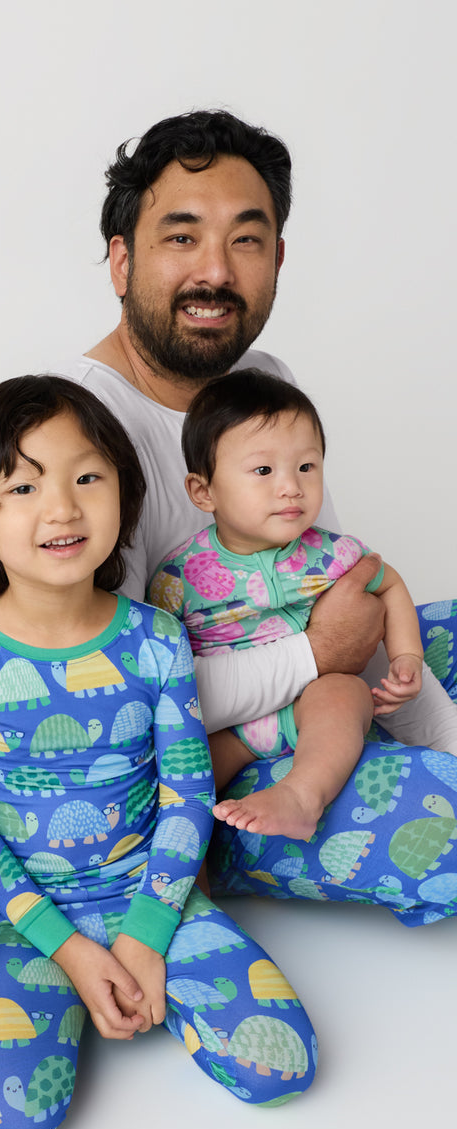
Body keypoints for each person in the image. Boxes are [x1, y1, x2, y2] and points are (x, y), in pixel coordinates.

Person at [58, 110, 457, 924]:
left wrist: (389, 687)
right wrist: (317, 659)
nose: (216, 271)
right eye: (181, 238)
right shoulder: (81, 432)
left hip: (324, 701)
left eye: (246, 239)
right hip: (205, 771)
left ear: (277, 257)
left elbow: (333, 582)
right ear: (121, 261)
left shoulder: (260, 378)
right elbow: (113, 706)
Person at [0, 374, 315, 1129]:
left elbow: (187, 792)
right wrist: (68, 949)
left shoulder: (156, 638)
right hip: (30, 918)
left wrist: (144, 935)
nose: (62, 508)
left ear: (125, 496)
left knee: (283, 1067)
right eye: (23, 486)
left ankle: (148, 970)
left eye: (86, 477)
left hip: (154, 891)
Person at [149, 370, 457, 842]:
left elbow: (390, 585)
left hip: (315, 711)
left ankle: (302, 796)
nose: (291, 487)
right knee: (176, 774)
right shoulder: (179, 576)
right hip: (234, 726)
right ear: (203, 491)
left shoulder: (333, 554)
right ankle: (178, 858)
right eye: (264, 471)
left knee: (342, 693)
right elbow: (163, 666)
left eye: (306, 468)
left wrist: (407, 658)